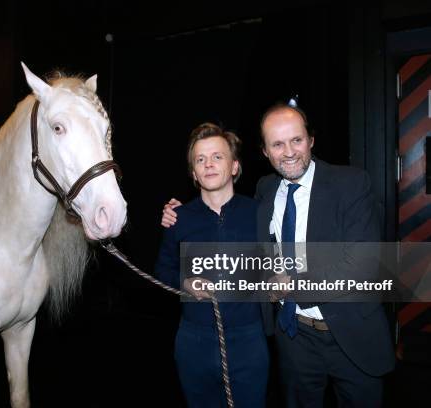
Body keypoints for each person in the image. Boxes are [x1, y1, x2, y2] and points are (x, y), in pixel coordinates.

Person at [161, 104, 395, 407]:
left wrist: (290, 285)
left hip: (351, 335)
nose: (288, 152)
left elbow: (361, 266)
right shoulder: (266, 191)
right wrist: (175, 217)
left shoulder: (351, 184)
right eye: (277, 144)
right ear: (265, 152)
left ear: (311, 140)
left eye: (296, 140)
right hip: (292, 337)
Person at [155, 123, 269, 408]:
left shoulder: (260, 214)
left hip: (249, 338)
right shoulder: (178, 218)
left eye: (217, 156)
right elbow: (162, 270)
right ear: (194, 173)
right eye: (200, 159)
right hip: (194, 340)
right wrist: (184, 282)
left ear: (234, 167)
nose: (208, 164)